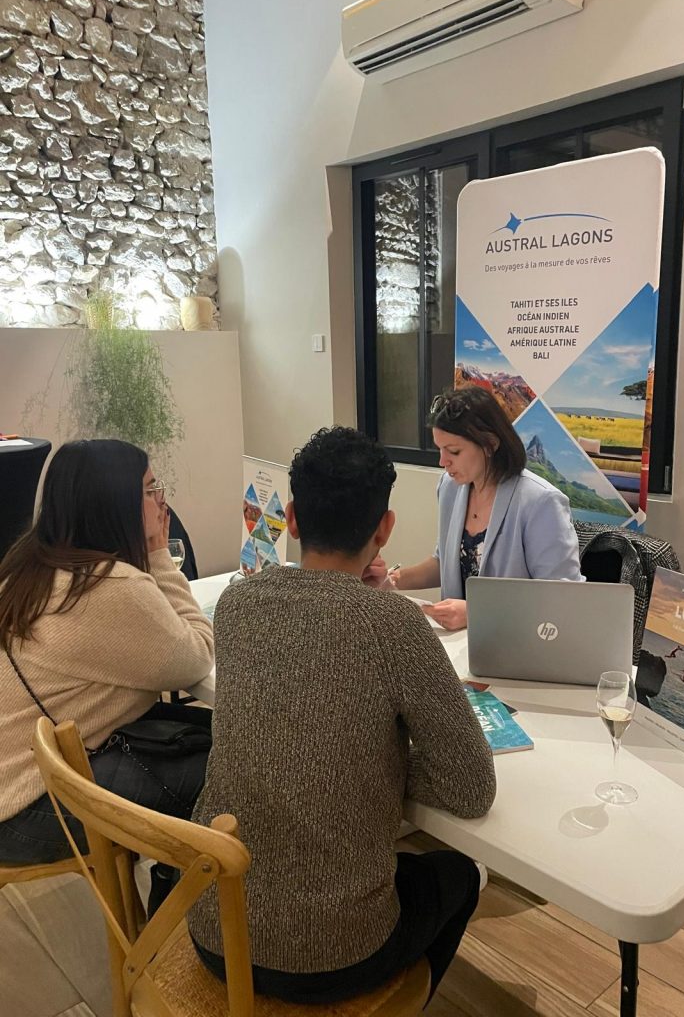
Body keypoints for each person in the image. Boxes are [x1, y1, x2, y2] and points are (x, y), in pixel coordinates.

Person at [189, 426, 496, 1005]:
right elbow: (471, 787)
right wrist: (376, 763)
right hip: (335, 955)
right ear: (385, 529)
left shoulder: (236, 604)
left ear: (292, 520)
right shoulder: (393, 625)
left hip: (213, 925)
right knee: (461, 874)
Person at [0, 439, 214, 881]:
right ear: (114, 505)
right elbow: (197, 655)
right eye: (150, 490)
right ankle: (182, 903)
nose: (162, 501)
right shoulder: (108, 587)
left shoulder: (31, 564)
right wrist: (158, 554)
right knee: (236, 776)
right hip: (25, 809)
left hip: (19, 777)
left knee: (223, 738)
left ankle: (176, 884)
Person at [366, 385, 583, 630]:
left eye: (454, 451)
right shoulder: (450, 487)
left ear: (490, 444)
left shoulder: (540, 502)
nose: (442, 461)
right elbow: (445, 563)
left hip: (516, 640)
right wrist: (392, 580)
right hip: (460, 641)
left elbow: (561, 597)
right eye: (439, 449)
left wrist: (477, 612)